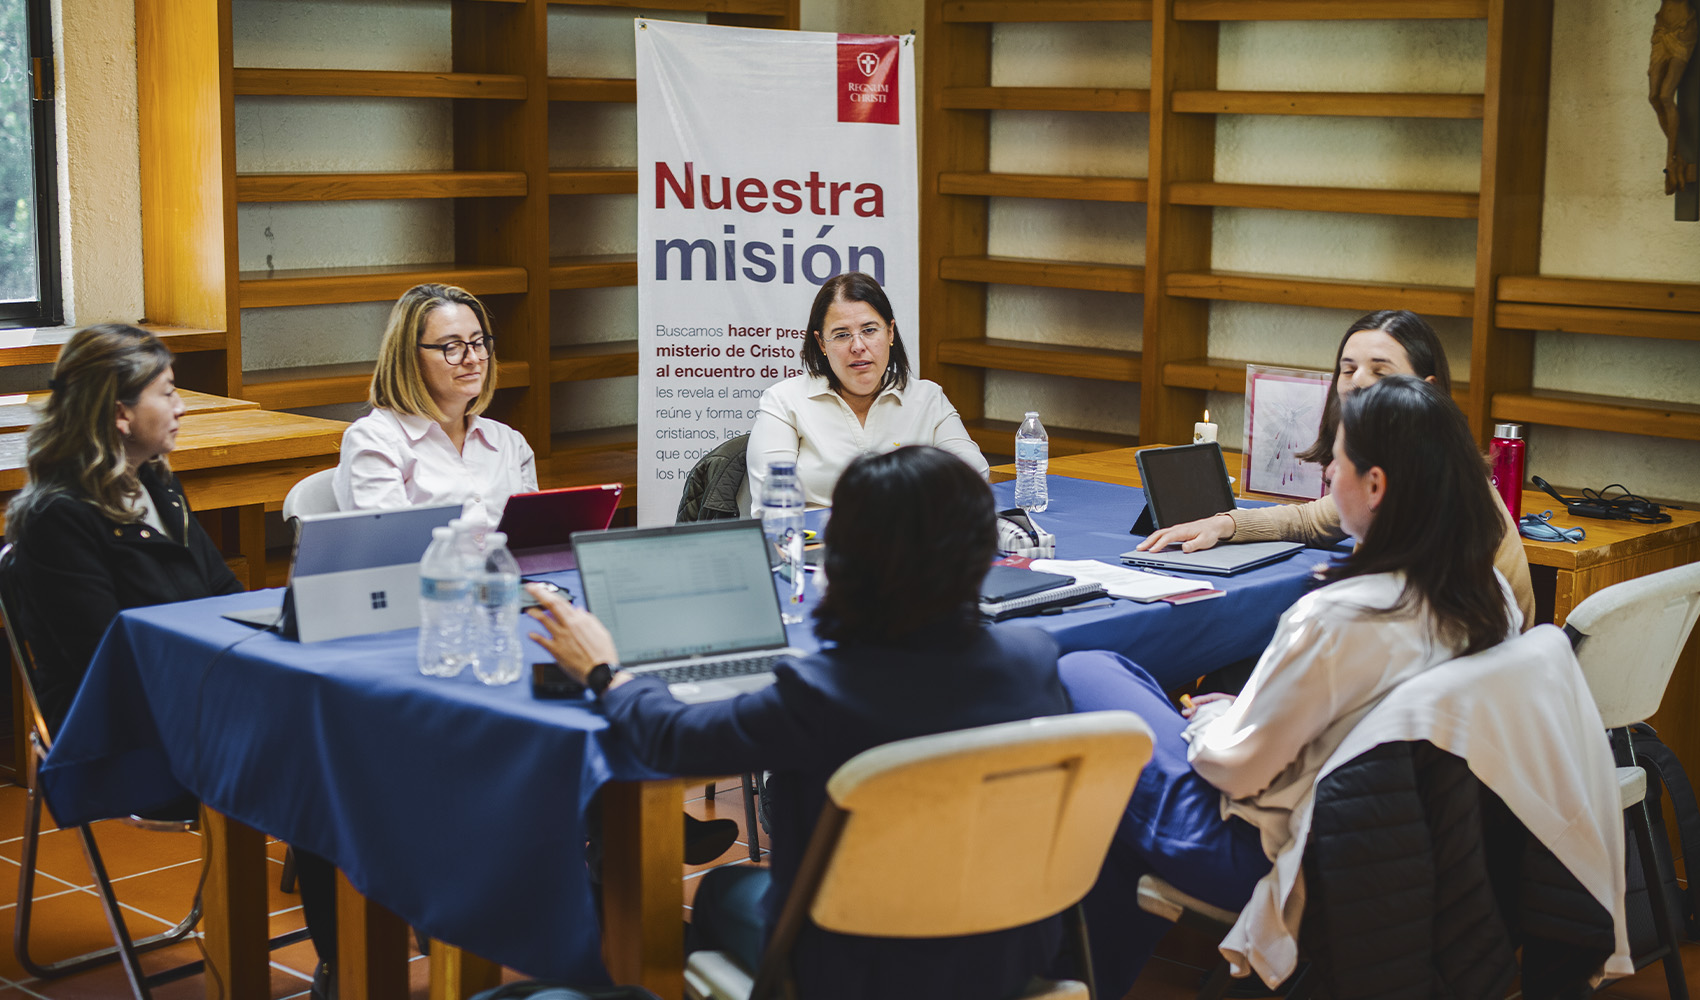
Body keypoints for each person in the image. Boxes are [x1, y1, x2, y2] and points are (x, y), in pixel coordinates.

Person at [526, 446, 1071, 1000]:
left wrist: (605, 672)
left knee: (720, 891)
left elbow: (674, 740)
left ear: (846, 562)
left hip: (860, 970)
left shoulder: (825, 692)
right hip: (1009, 952)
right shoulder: (1033, 657)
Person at [1061, 376, 1523, 996]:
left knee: (1083, 671)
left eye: (1335, 461)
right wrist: (1246, 708)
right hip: (1390, 849)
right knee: (1119, 765)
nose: (1328, 476)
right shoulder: (1486, 599)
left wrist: (1215, 722)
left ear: (1376, 485)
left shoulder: (1342, 616)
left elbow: (1235, 771)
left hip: (1271, 851)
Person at [0, 324, 342, 1000]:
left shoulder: (156, 481)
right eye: (168, 391)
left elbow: (221, 595)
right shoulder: (54, 518)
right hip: (122, 726)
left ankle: (358, 953)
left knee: (346, 739)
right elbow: (112, 659)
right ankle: (347, 964)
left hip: (199, 696)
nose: (181, 404)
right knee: (324, 763)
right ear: (119, 412)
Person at [1135, 309, 1536, 628]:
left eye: (1381, 371)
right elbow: (1313, 519)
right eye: (1348, 369)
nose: (1357, 382)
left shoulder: (1428, 504)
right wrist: (1226, 524)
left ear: (1425, 388)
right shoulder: (1430, 470)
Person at [746, 272, 988, 511]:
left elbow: (973, 474)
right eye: (842, 335)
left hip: (909, 541)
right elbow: (773, 507)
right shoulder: (784, 401)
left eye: (870, 330)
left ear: (890, 332)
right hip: (817, 543)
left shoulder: (927, 398)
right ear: (821, 343)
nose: (858, 346)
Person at [334, 283, 537, 530]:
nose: (472, 359)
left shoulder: (508, 442)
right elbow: (389, 554)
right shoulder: (374, 441)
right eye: (452, 347)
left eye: (478, 342)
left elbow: (532, 544)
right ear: (411, 357)